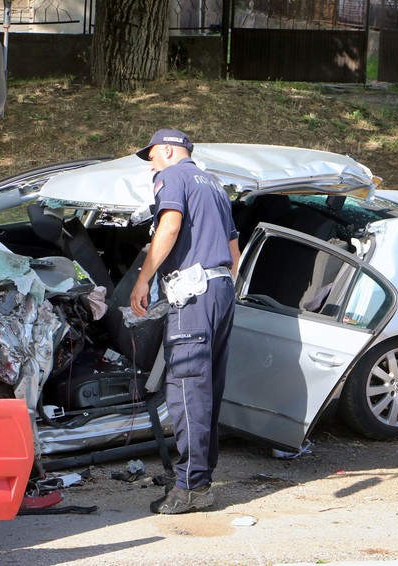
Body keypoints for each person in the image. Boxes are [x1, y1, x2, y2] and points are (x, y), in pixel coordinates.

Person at [130, 129, 240, 514]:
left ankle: (190, 488)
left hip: (192, 295)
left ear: (168, 150)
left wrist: (143, 279)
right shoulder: (214, 184)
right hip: (222, 290)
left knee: (187, 389)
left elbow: (170, 226)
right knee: (208, 387)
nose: (151, 166)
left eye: (153, 157)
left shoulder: (172, 177)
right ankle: (200, 479)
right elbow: (232, 250)